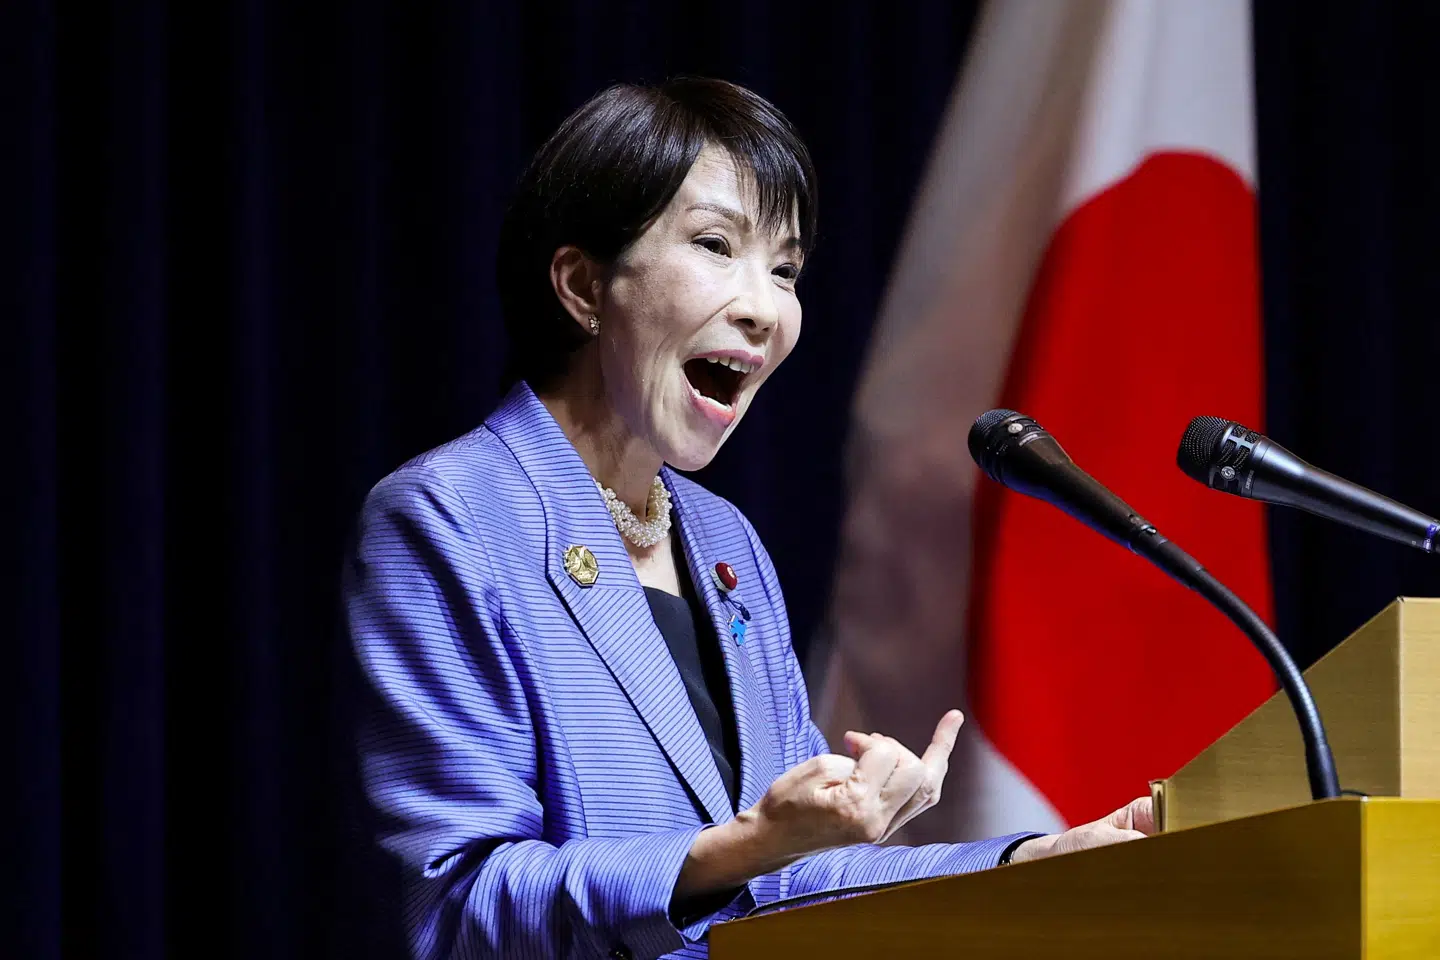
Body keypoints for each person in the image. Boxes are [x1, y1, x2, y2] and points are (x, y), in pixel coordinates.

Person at [344, 77, 1153, 960]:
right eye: (716, 245)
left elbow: (786, 888)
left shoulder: (725, 543)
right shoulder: (447, 519)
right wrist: (754, 843)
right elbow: (459, 908)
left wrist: (1039, 861)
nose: (764, 308)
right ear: (582, 286)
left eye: (784, 268)